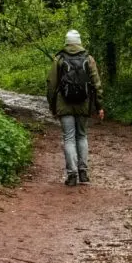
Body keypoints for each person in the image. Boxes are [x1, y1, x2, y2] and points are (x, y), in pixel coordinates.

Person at [46, 30, 104, 186]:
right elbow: (96, 84)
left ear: (66, 42)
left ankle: (72, 175)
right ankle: (83, 173)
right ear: (79, 42)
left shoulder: (59, 59)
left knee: (69, 138)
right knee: (82, 136)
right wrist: (99, 106)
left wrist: (52, 105)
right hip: (83, 104)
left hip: (63, 104)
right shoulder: (88, 59)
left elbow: (51, 84)